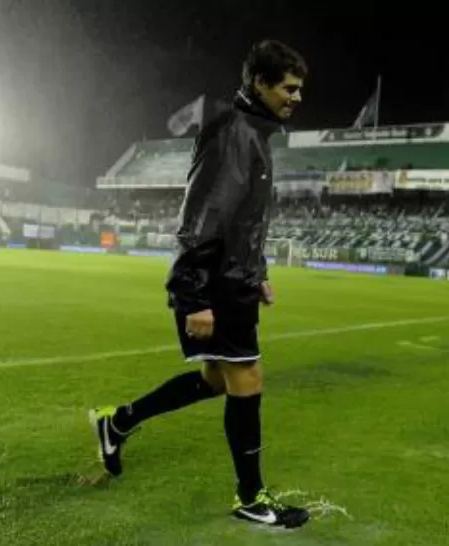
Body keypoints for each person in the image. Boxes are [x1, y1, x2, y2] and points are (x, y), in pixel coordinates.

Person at [88, 40, 310, 529]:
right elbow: (204, 215)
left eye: (299, 90)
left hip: (233, 280)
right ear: (260, 83)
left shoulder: (253, 133)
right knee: (246, 379)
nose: (296, 98)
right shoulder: (235, 133)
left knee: (216, 380)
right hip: (215, 285)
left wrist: (260, 273)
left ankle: (118, 421)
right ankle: (250, 497)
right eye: (289, 89)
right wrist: (192, 296)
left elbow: (240, 221)